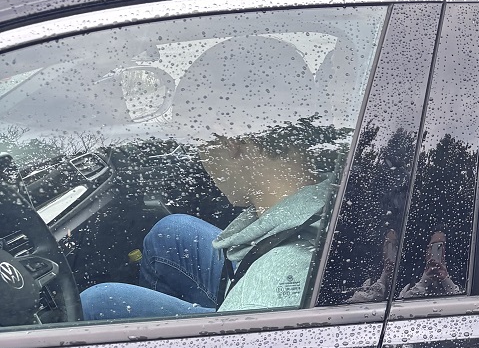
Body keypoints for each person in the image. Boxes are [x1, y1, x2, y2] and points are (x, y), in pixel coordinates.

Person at [80, 35, 342, 320]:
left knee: (96, 305)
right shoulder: (335, 185)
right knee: (171, 233)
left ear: (230, 141)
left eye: (198, 144)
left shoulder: (266, 290)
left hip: (248, 304)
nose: (202, 160)